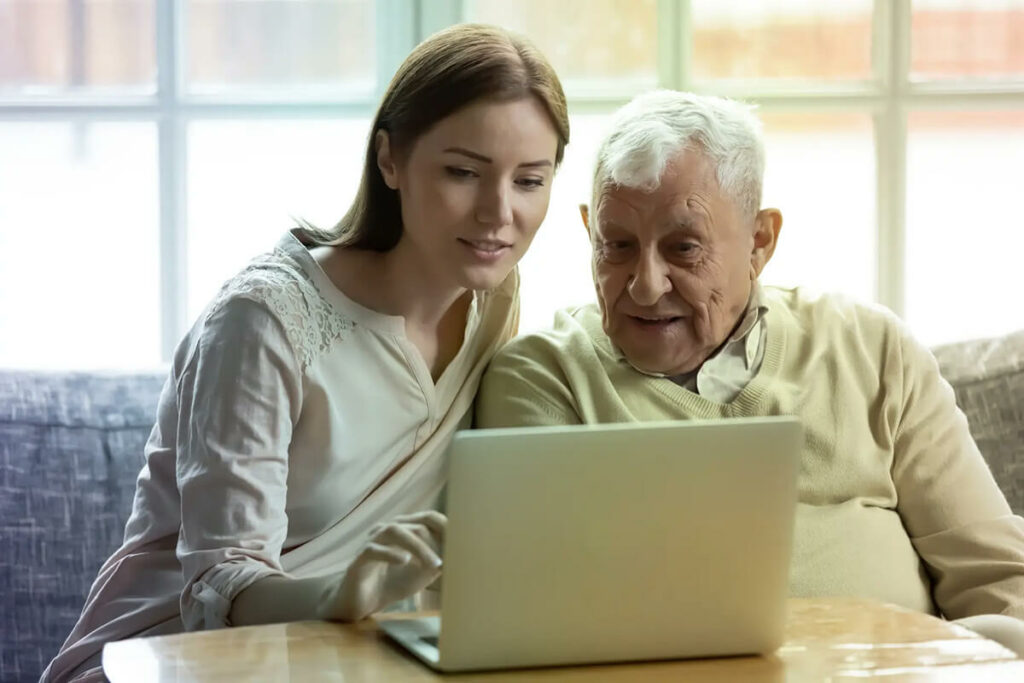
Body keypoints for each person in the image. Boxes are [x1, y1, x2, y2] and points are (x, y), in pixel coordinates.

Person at [43, 23, 569, 683]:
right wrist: (340, 593)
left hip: (345, 661)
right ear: (390, 161)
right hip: (166, 659)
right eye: (463, 172)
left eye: (529, 180)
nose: (498, 212)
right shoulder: (263, 322)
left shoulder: (494, 299)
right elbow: (216, 584)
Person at [475, 89, 1024, 654]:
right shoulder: (543, 379)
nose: (645, 284)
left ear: (760, 241)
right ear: (589, 230)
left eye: (683, 248)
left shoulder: (872, 349)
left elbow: (996, 578)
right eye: (617, 245)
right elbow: (543, 616)